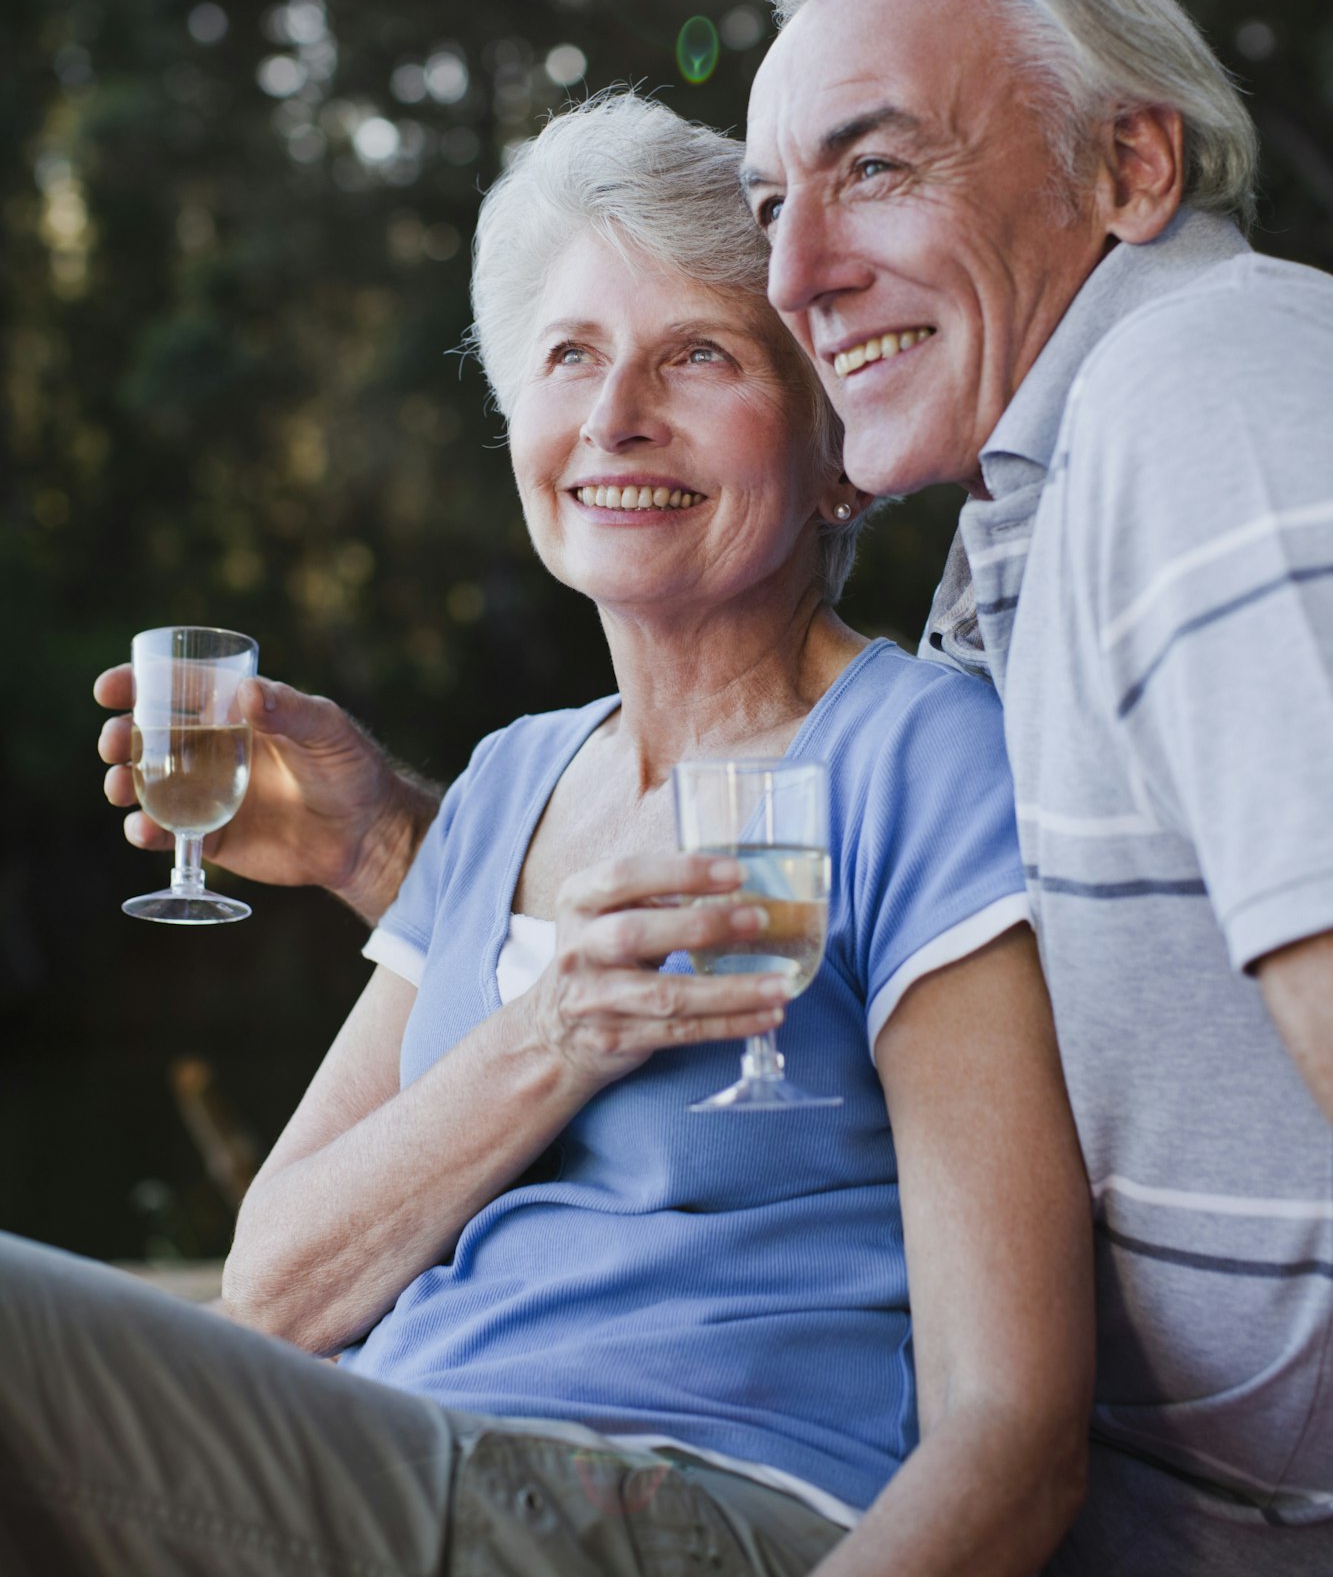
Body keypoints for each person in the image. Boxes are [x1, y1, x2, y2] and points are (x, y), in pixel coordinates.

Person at [20, 92, 1093, 1577]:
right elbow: (276, 1287)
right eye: (568, 356)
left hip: (697, 1504)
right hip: (414, 1467)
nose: (614, 418)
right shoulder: (510, 783)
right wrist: (563, 1029)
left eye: (697, 355)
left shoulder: (922, 756)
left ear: (835, 446)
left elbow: (1012, 1427)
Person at [740, 0, 1333, 1574]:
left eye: (874, 170)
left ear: (1131, 171)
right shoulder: (1043, 495)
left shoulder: (1198, 399)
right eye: (771, 206)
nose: (793, 278)